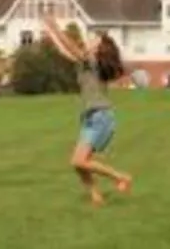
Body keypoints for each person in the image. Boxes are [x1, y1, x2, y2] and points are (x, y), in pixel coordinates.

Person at [41, 16, 132, 206]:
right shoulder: (85, 62)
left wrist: (56, 28)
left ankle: (121, 177)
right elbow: (64, 51)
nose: (89, 40)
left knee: (78, 161)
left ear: (98, 49)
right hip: (91, 118)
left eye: (94, 40)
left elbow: (71, 47)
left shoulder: (92, 62)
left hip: (101, 117)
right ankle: (96, 196)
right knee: (79, 164)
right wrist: (50, 32)